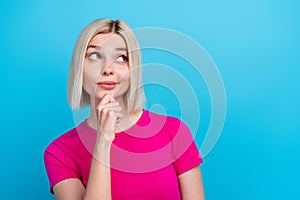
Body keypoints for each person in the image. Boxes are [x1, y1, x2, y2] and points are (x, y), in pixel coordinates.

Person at [44, 18, 205, 200]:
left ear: (132, 69)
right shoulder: (59, 152)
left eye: (121, 58)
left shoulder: (175, 132)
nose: (108, 69)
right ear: (79, 68)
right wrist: (103, 142)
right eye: (95, 56)